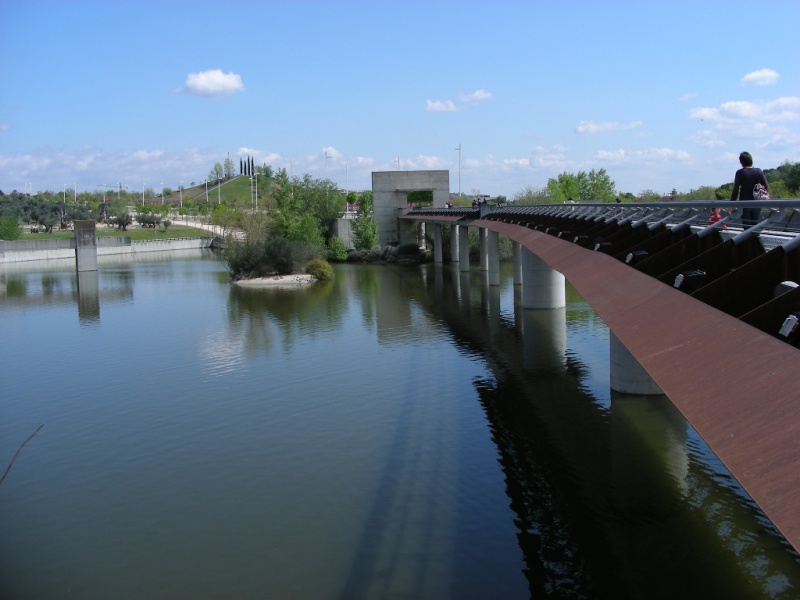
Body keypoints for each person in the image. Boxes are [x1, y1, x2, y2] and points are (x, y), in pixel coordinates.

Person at [730, 151, 768, 228]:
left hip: (744, 203)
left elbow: (736, 190)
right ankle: (754, 239)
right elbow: (766, 186)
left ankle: (748, 239)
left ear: (741, 162)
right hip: (757, 202)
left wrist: (731, 204)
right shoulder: (758, 171)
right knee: (755, 226)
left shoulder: (740, 173)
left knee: (747, 227)